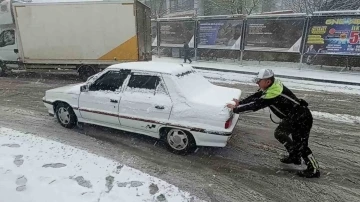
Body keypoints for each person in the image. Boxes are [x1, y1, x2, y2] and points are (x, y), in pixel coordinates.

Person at [227, 69, 320, 178]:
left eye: (259, 81)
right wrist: (241, 103)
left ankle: (314, 169)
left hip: (301, 118)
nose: (257, 83)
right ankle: (295, 156)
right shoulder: (273, 86)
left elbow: (255, 106)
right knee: (280, 133)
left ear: (267, 81)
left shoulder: (273, 93)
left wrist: (235, 110)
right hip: (293, 117)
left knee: (301, 144)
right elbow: (258, 95)